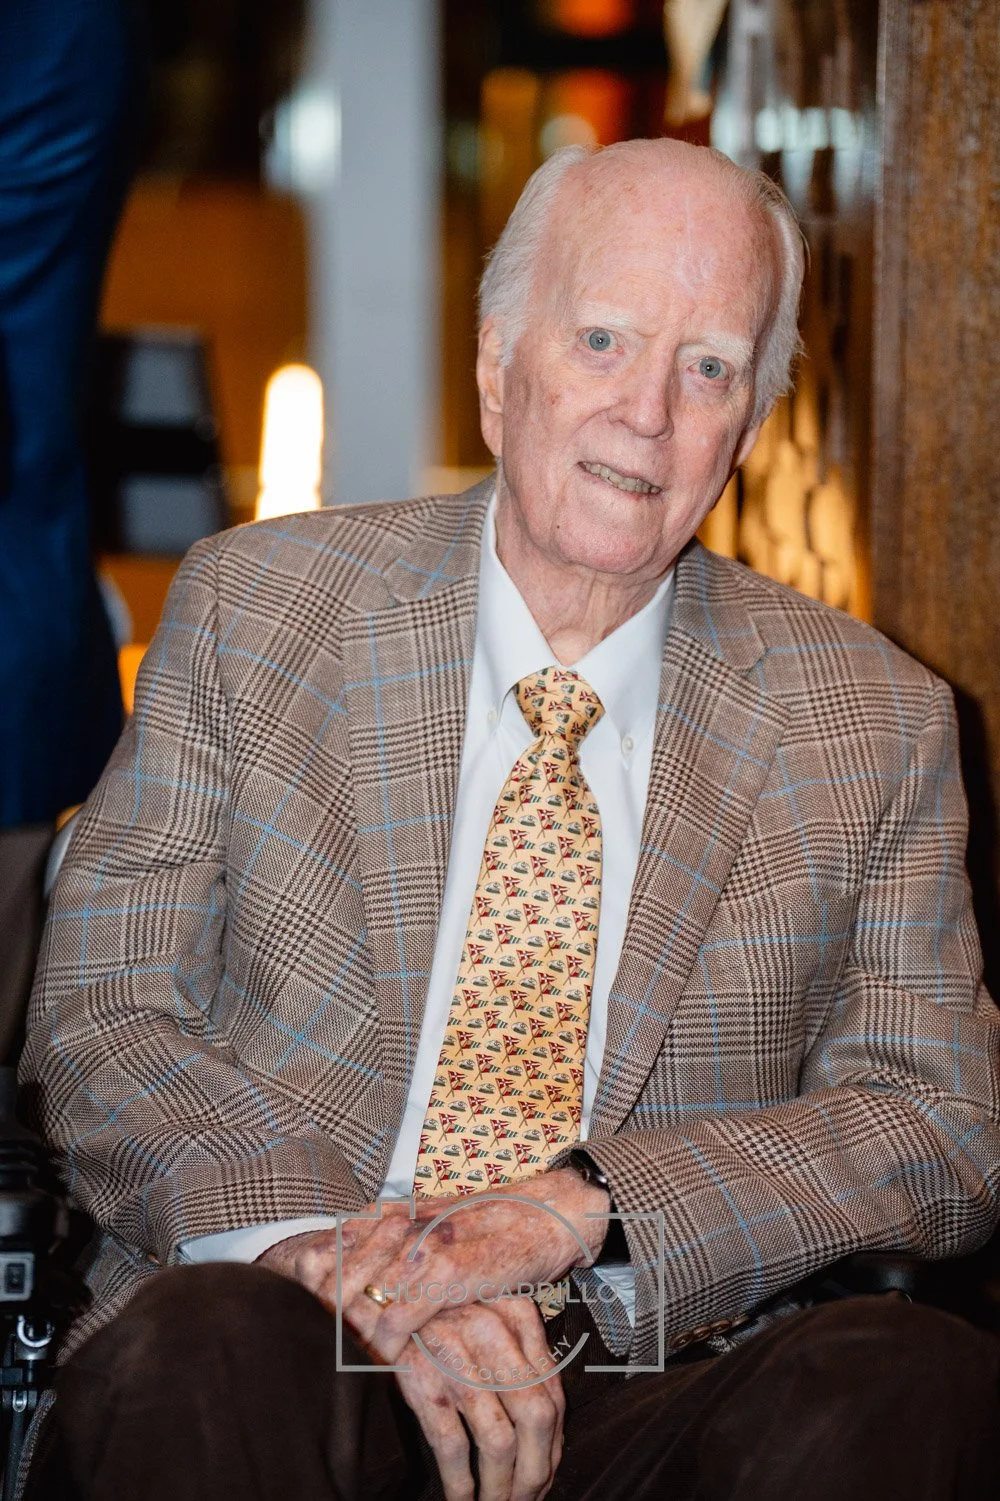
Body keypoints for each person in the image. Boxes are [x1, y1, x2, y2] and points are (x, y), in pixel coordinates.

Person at [19, 139, 1000, 1501]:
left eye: (709, 367)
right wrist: (339, 1260)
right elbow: (105, 1008)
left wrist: (581, 1211)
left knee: (909, 1383)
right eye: (602, 341)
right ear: (497, 370)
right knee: (207, 1346)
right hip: (286, 1330)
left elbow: (939, 1121)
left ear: (750, 426)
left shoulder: (875, 721)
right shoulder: (260, 611)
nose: (649, 412)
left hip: (655, 1367)